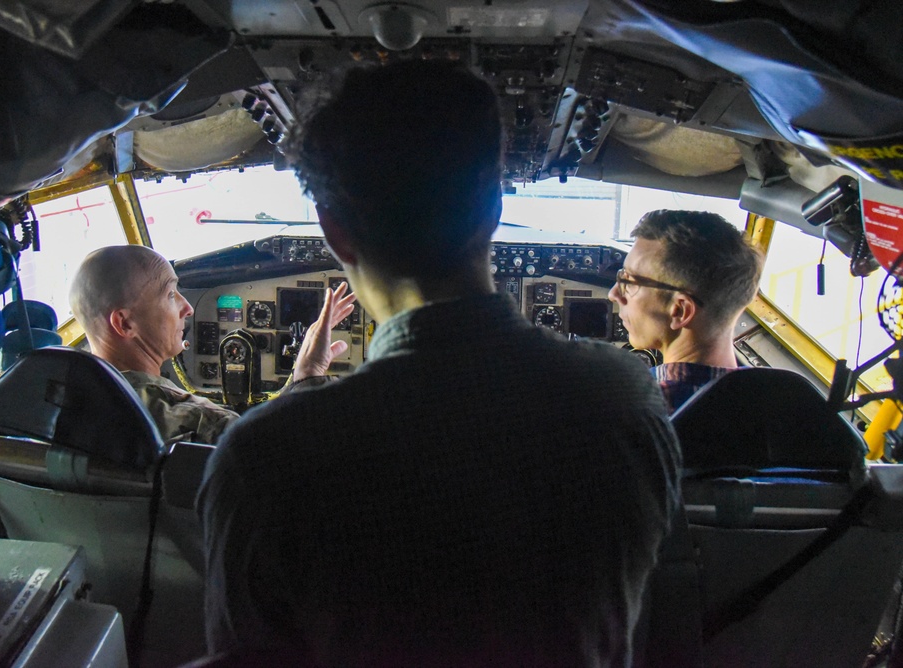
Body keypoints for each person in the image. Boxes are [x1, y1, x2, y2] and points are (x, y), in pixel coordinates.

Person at [197, 60, 680, 666]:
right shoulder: (626, 399)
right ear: (492, 209)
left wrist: (303, 390)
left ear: (334, 232)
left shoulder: (264, 459)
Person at [68, 244, 354, 443]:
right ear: (125, 324)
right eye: (170, 295)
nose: (187, 308)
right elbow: (298, 451)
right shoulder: (201, 423)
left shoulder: (61, 401)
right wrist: (307, 377)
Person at [609, 210, 765, 413]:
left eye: (628, 282)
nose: (614, 294)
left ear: (680, 311)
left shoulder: (634, 411)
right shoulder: (772, 398)